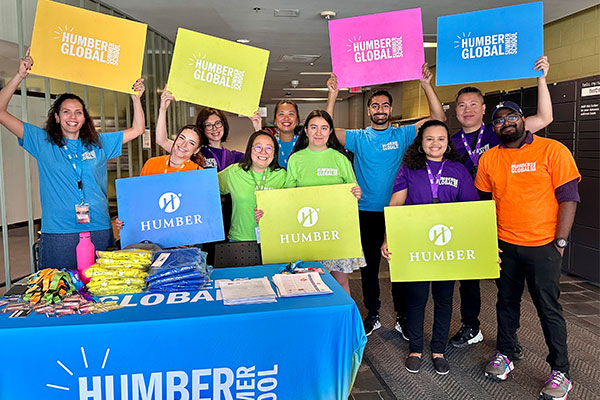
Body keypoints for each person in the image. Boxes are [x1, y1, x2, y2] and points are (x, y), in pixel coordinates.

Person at [327, 63, 447, 336]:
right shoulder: (358, 138)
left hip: (398, 212)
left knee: (399, 267)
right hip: (365, 211)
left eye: (384, 106)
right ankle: (374, 313)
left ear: (390, 110)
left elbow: (438, 120)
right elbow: (326, 130)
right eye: (375, 106)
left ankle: (403, 316)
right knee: (369, 270)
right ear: (368, 110)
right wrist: (333, 95)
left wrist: (426, 85)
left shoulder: (402, 134)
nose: (380, 110)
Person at [0, 49, 146, 270]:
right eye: (66, 112)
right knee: (59, 293)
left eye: (78, 112)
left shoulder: (98, 142)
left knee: (99, 292)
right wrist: (19, 76)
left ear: (84, 117)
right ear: (57, 117)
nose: (72, 117)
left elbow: (137, 129)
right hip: (60, 232)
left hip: (98, 227)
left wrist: (136, 99)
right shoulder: (42, 141)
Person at [449, 57, 554, 350]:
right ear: (455, 111)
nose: (467, 110)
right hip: (467, 214)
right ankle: (471, 326)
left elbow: (544, 118)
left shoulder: (499, 130)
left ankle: (510, 339)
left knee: (504, 285)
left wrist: (542, 78)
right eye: (461, 105)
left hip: (501, 216)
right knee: (467, 276)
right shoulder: (451, 141)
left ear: (484, 109)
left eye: (473, 104)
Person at [477, 101, 579, 400]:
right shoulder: (489, 159)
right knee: (505, 302)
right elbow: (483, 205)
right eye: (498, 120)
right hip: (505, 244)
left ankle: (561, 370)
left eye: (511, 117)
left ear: (523, 120)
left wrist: (559, 242)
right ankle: (506, 353)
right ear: (493, 128)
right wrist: (487, 242)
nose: (505, 123)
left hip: (543, 245)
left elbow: (569, 198)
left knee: (548, 308)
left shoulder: (552, 150)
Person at [380, 120, 479, 375]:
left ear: (447, 144)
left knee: (444, 298)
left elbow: (471, 210)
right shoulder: (409, 169)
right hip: (416, 243)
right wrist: (388, 236)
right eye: (429, 139)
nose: (435, 144)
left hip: (447, 244)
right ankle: (415, 348)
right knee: (416, 299)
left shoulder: (458, 170)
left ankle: (438, 349)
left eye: (441, 139)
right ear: (420, 143)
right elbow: (396, 203)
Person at [282, 110, 365, 294]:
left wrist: (356, 194)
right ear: (306, 131)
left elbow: (353, 192)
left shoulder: (340, 158)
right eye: (313, 127)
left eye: (324, 128)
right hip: (308, 230)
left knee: (340, 282)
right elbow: (289, 195)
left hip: (337, 229)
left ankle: (342, 319)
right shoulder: (296, 159)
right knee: (308, 281)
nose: (318, 133)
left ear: (330, 131)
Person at [218, 131, 286, 242]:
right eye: (258, 147)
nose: (263, 152)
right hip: (239, 240)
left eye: (269, 148)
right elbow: (208, 189)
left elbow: (289, 208)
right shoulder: (234, 172)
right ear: (250, 149)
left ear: (274, 153)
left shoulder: (281, 175)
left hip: (274, 239)